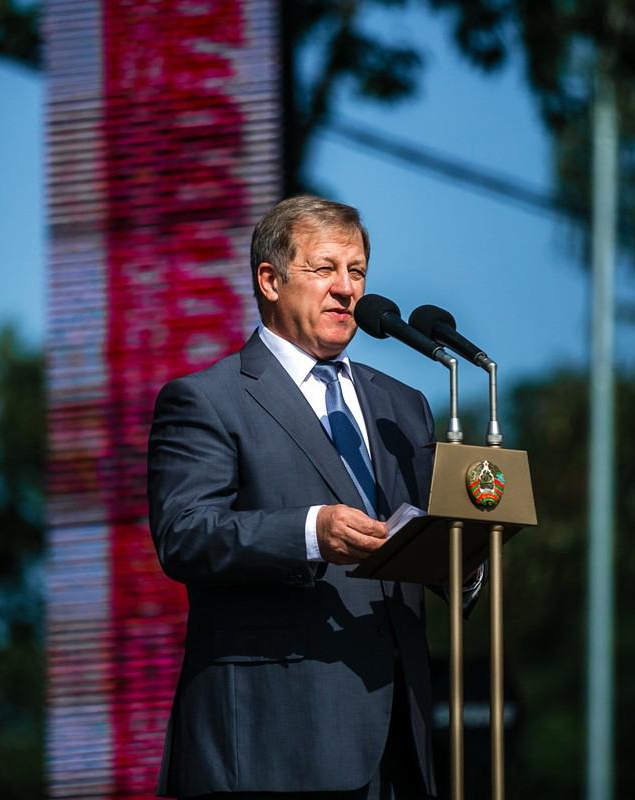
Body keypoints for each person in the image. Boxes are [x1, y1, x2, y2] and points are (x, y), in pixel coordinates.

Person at [148, 195, 477, 798]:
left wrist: (466, 559)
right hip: (275, 739)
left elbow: (420, 538)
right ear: (269, 281)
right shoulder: (208, 400)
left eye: (357, 271)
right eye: (325, 269)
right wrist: (310, 532)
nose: (347, 289)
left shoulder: (404, 406)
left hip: (400, 743)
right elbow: (185, 534)